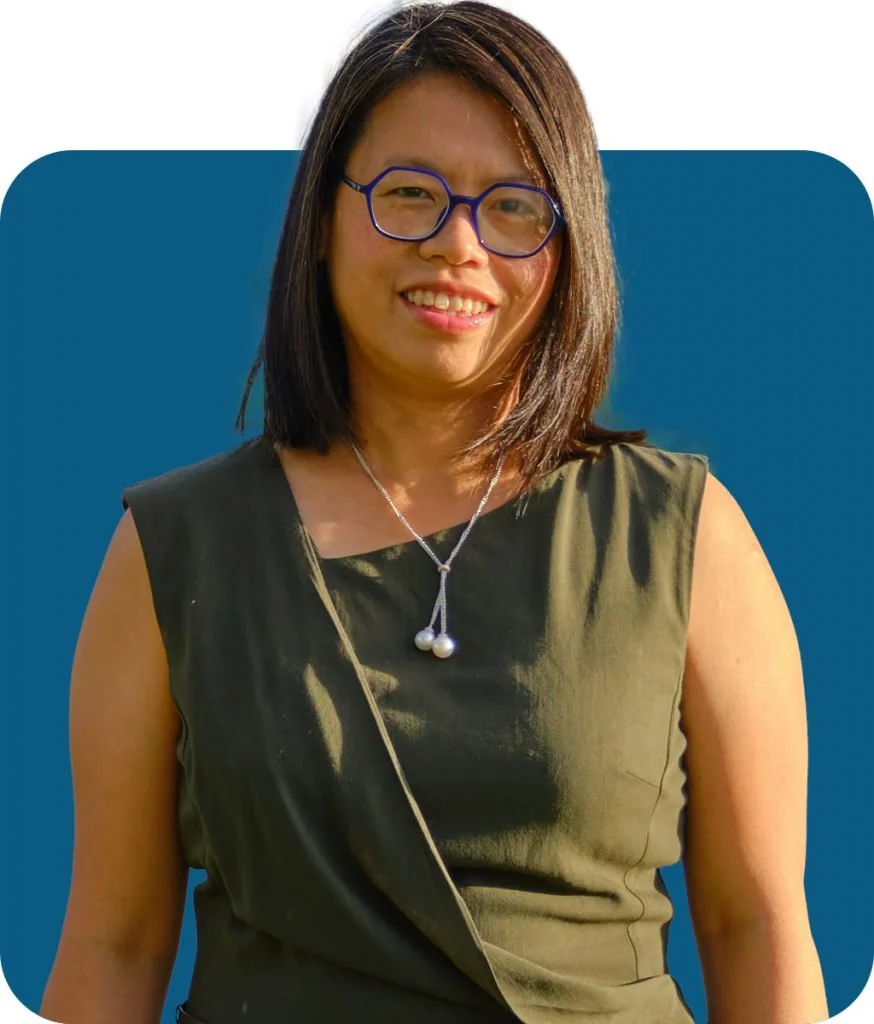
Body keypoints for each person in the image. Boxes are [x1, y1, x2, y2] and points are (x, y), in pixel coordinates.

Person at [40, 2, 830, 1022]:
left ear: (569, 244)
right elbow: (116, 939)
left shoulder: (683, 535)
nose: (458, 244)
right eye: (408, 195)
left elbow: (754, 925)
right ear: (322, 223)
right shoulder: (171, 548)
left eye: (513, 207)